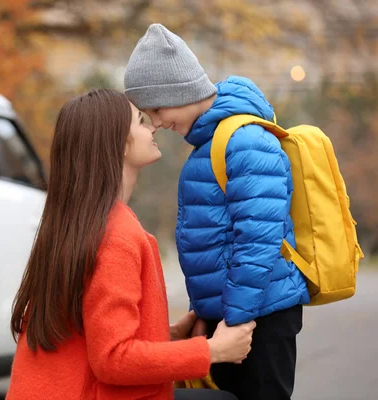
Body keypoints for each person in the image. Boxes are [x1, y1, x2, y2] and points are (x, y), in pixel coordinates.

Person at [5, 88, 256, 400]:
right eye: (140, 121)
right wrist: (212, 351)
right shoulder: (116, 235)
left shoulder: (76, 224)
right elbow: (113, 359)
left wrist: (169, 335)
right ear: (118, 145)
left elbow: (89, 334)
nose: (152, 126)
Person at [123, 24, 311, 400]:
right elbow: (217, 241)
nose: (156, 122)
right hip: (229, 318)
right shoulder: (211, 144)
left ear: (181, 90)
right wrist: (203, 315)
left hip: (259, 318)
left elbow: (258, 240)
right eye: (147, 114)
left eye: (157, 108)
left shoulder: (245, 140)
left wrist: (234, 323)